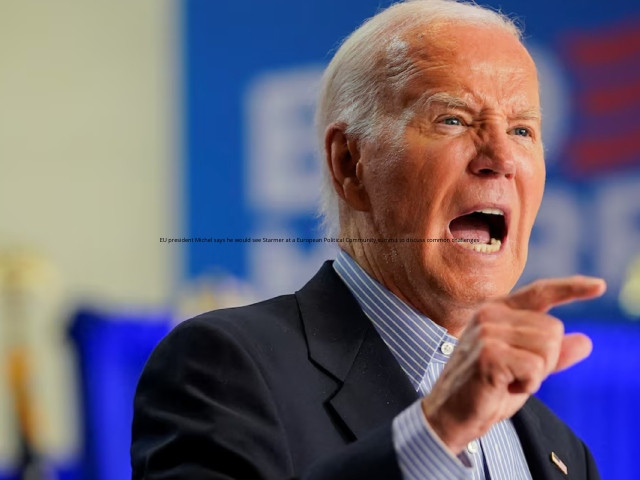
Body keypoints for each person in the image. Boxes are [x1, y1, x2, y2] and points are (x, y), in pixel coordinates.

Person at [131, 1, 606, 478]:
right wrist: (435, 435)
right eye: (453, 119)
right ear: (349, 164)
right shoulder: (226, 368)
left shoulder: (563, 451)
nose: (501, 156)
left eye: (523, 129)